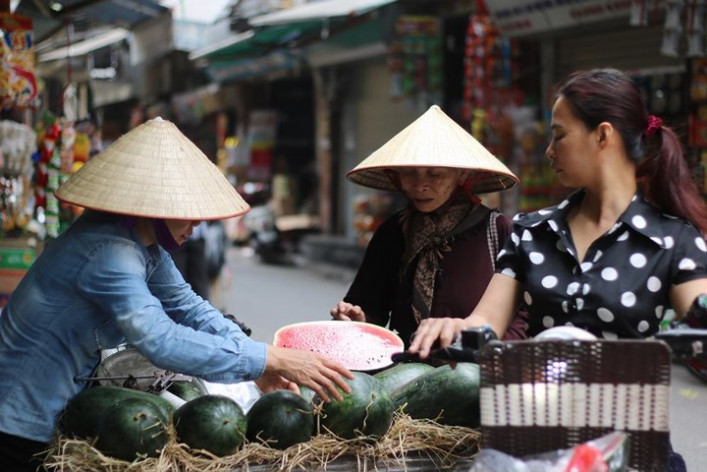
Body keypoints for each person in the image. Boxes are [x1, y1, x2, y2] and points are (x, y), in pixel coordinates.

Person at [0, 117, 353, 471]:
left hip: (49, 409)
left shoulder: (143, 245)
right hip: (18, 420)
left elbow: (190, 307)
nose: (196, 225)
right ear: (155, 206)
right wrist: (267, 358)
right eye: (186, 214)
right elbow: (162, 341)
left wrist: (254, 364)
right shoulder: (109, 254)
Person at [408, 69, 707, 472]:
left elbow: (698, 316)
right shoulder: (533, 232)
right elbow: (484, 325)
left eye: (559, 134)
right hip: (536, 448)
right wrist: (449, 328)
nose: (549, 150)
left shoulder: (673, 239)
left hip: (634, 452)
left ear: (603, 136)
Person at [330, 104, 528, 347]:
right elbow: (369, 309)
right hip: (406, 371)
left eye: (434, 174)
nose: (419, 185)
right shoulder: (393, 232)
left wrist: (485, 353)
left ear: (461, 175)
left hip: (477, 373)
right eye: (410, 173)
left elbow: (524, 317)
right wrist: (357, 319)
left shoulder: (498, 230)